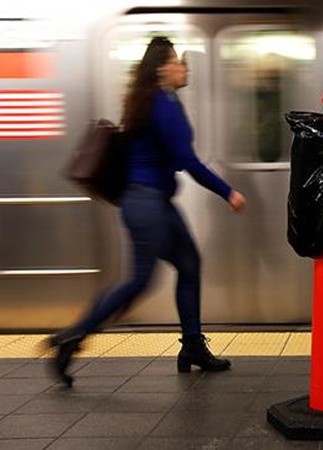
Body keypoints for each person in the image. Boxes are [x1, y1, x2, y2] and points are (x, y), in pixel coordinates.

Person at [47, 36, 246, 386]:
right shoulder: (162, 105)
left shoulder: (161, 100)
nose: (184, 67)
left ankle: (193, 347)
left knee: (189, 264)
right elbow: (188, 161)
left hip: (151, 203)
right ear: (162, 68)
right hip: (146, 204)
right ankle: (72, 336)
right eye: (178, 61)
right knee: (140, 280)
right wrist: (227, 192)